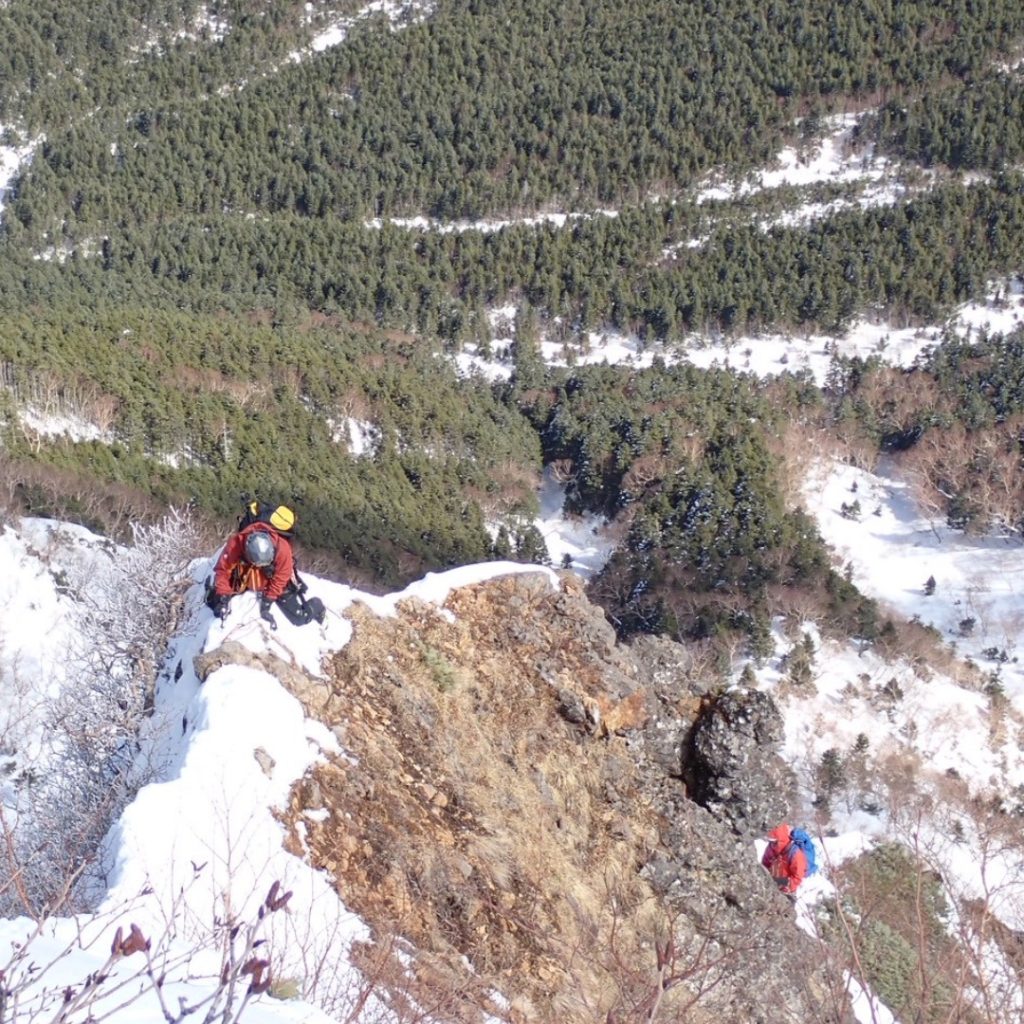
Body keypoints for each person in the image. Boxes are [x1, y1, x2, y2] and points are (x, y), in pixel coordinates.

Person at [206, 505, 296, 627]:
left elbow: (282, 575)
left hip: (264, 577)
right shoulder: (237, 543)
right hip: (245, 573)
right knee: (215, 605)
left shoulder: (283, 549)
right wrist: (223, 595)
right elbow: (223, 569)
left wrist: (268, 600)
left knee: (299, 617)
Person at [761, 822, 808, 896]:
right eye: (770, 841)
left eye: (774, 841)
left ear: (781, 840)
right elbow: (764, 865)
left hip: (787, 893)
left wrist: (783, 883)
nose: (772, 844)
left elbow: (798, 877)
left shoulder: (794, 853)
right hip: (771, 889)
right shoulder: (770, 848)